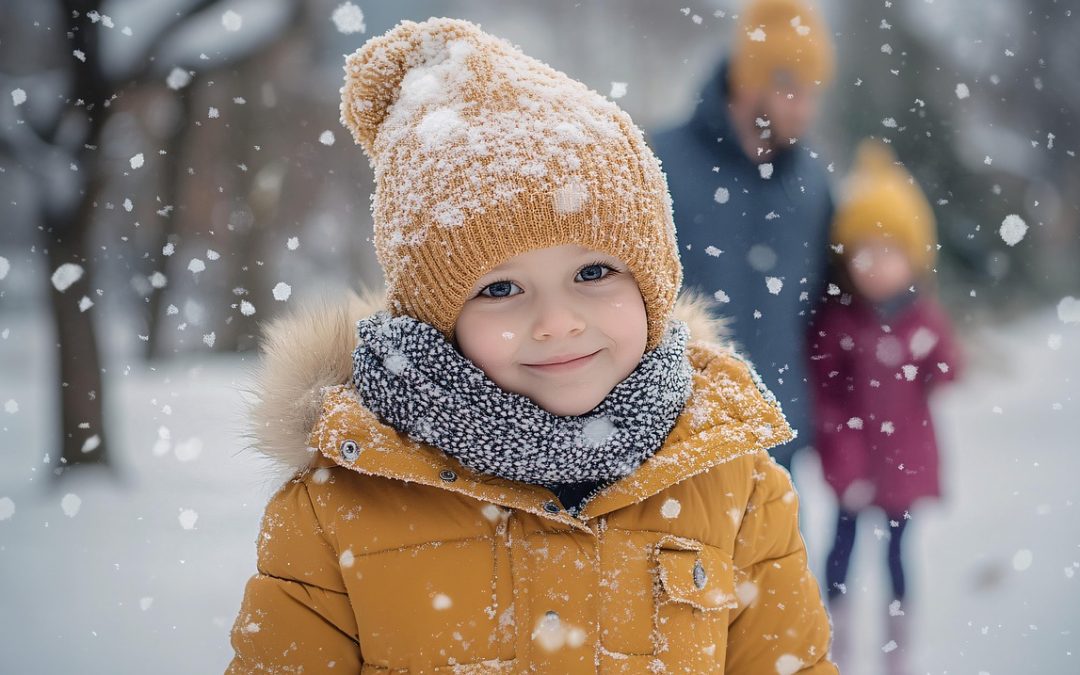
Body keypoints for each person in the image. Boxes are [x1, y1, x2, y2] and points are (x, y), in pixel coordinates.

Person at [227, 18, 835, 673]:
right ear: (436, 315)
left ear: (653, 287)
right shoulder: (337, 504)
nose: (557, 322)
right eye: (500, 288)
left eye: (594, 273)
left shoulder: (737, 488)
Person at [651, 0, 836, 470]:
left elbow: (826, 302)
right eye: (793, 91)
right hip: (681, 438)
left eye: (814, 94)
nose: (806, 110)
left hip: (778, 435)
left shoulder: (811, 180)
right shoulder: (660, 161)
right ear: (752, 82)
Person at [806, 140, 963, 673]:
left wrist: (934, 352)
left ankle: (897, 651)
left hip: (904, 461)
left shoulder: (923, 318)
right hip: (854, 460)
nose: (876, 265)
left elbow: (949, 371)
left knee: (898, 555)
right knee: (842, 551)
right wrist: (842, 456)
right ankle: (838, 645)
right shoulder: (840, 321)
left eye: (890, 251)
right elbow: (824, 393)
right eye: (864, 251)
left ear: (914, 257)